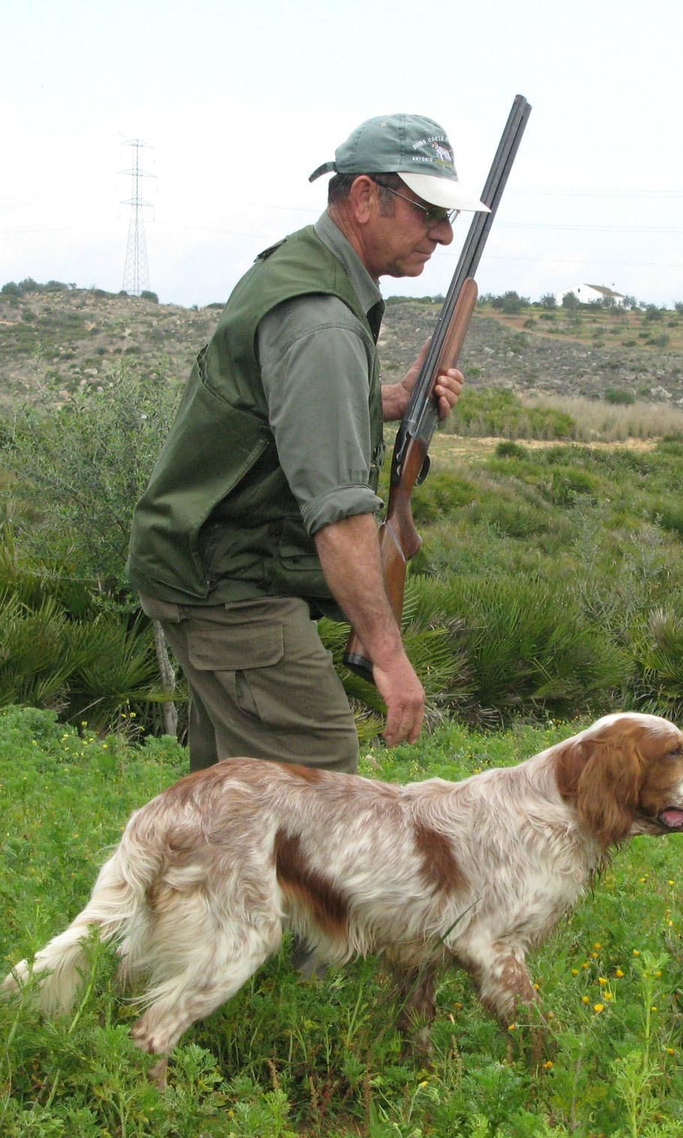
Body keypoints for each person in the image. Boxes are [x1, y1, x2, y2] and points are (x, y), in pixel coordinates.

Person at [127, 113, 488, 776]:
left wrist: (389, 403)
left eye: (450, 218)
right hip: (229, 585)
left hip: (205, 565)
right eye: (428, 210)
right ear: (363, 198)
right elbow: (341, 516)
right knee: (319, 790)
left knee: (233, 803)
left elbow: (281, 411)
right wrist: (389, 653)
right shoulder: (321, 318)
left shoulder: (302, 266)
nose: (442, 233)